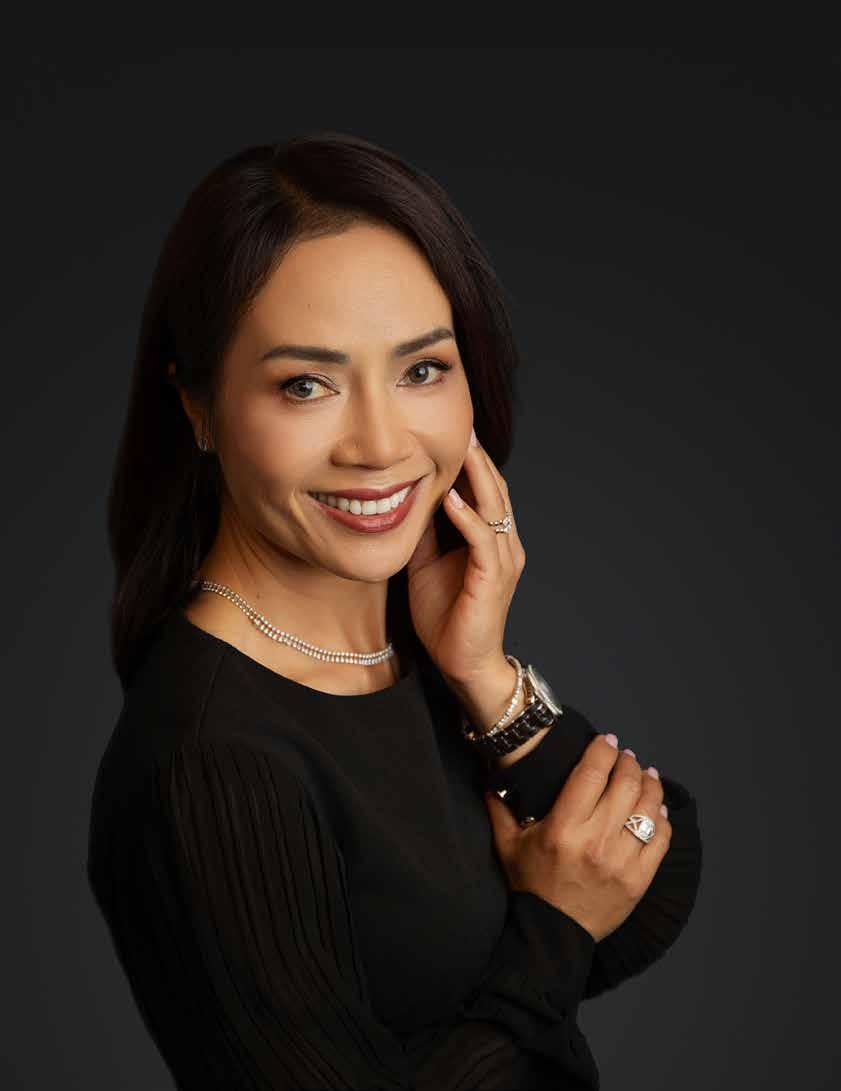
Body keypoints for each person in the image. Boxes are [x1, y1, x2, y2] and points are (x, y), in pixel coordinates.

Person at [87, 131, 702, 1090]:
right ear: (198, 407)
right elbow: (582, 922)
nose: (378, 444)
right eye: (306, 384)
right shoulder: (209, 760)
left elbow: (649, 882)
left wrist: (485, 679)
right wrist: (552, 929)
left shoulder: (414, 654)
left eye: (421, 370)